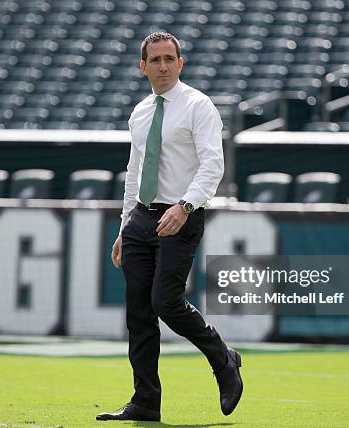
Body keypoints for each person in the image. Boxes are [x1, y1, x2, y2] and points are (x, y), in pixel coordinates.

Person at [96, 32, 243, 422]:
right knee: (139, 314)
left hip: (182, 215)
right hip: (142, 217)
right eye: (155, 60)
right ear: (141, 66)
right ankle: (145, 401)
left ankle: (223, 359)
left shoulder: (198, 106)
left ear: (181, 63)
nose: (162, 66)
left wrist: (185, 205)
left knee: (166, 302)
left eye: (169, 59)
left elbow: (213, 165)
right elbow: (135, 172)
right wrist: (125, 225)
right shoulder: (141, 112)